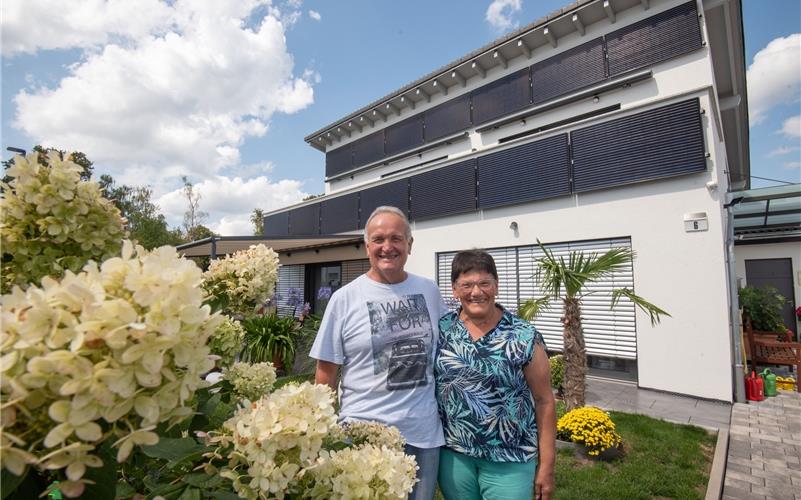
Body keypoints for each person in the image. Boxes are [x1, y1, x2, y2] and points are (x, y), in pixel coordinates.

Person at [310, 206, 446, 500]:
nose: (388, 247)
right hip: (361, 438)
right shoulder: (344, 299)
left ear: (409, 245)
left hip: (422, 435)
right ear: (367, 246)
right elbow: (326, 372)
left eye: (396, 238)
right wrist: (318, 432)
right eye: (379, 239)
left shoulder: (429, 291)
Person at [435, 250, 556, 500]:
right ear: (454, 290)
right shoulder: (442, 329)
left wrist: (547, 465)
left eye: (484, 283)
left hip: (510, 460)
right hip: (454, 457)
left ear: (496, 286)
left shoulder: (523, 335)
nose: (476, 292)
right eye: (466, 285)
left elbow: (544, 401)